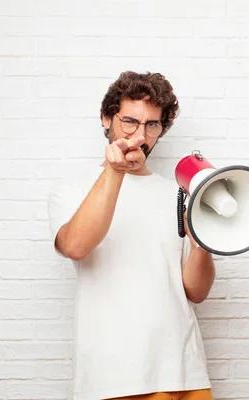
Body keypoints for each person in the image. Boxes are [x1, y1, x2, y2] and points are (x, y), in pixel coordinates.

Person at [47, 71, 216, 400]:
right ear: (107, 118)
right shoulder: (72, 189)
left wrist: (202, 244)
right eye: (129, 121)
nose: (140, 135)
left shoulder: (177, 194)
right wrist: (115, 171)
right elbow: (76, 246)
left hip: (185, 371)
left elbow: (196, 291)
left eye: (152, 124)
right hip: (116, 376)